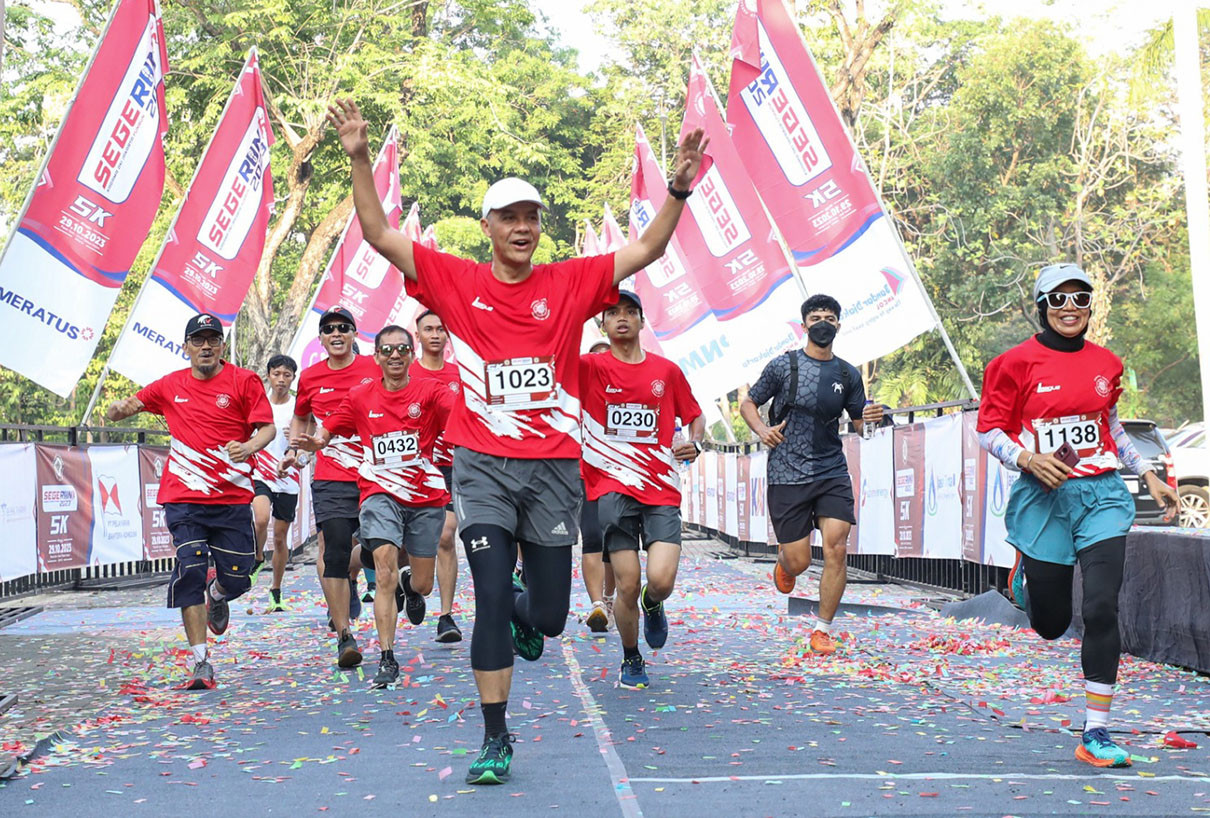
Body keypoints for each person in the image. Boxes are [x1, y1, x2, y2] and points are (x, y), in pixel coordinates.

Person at [327, 97, 706, 785]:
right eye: (511, 218)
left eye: (532, 218)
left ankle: (534, 615)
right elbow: (379, 231)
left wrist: (677, 190)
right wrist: (359, 157)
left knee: (552, 616)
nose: (524, 228)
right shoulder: (455, 279)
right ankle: (495, 737)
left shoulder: (571, 281)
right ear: (489, 227)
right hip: (481, 470)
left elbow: (647, 248)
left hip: (555, 473)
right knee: (493, 596)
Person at [977, 263, 1178, 768]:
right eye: (1059, 299)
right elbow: (989, 430)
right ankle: (1027, 571)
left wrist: (1147, 473)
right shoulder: (1012, 363)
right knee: (1050, 623)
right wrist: (1026, 458)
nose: (1071, 309)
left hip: (1103, 496)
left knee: (1102, 607)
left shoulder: (1107, 363)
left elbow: (1109, 426)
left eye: (1080, 299)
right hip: (1045, 497)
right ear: (1041, 306)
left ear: (1091, 306)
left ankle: (1097, 731)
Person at [105, 313, 275, 689]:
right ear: (186, 347)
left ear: (222, 347)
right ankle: (201, 662)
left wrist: (248, 447)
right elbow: (132, 404)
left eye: (213, 340)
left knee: (239, 577)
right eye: (198, 340)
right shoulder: (171, 385)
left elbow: (268, 427)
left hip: (231, 497)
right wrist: (117, 408)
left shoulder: (243, 381)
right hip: (183, 498)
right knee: (190, 568)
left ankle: (219, 593)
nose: (206, 347)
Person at [295, 326, 454, 687]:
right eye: (387, 350)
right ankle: (387, 657)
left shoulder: (431, 391)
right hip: (379, 492)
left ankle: (410, 584)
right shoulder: (360, 396)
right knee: (382, 573)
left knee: (425, 583)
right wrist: (315, 442)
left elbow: (459, 417)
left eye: (402, 349)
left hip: (424, 496)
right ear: (377, 357)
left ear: (412, 355)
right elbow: (329, 429)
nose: (395, 356)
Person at [739, 294, 883, 655]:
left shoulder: (848, 374)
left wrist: (874, 420)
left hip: (830, 469)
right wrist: (761, 430)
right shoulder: (783, 366)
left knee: (837, 546)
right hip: (787, 471)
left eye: (829, 318)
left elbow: (860, 423)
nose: (822, 323)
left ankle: (822, 629)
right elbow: (748, 402)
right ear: (803, 325)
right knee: (800, 561)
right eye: (815, 317)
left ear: (838, 325)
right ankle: (786, 564)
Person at [580, 292, 704, 687]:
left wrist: (695, 443)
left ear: (641, 321)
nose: (621, 319)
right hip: (612, 488)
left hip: (661, 487)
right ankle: (631, 658)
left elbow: (695, 416)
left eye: (629, 312)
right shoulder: (588, 368)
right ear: (602, 326)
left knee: (660, 580)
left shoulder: (665, 372)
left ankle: (655, 604)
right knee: (627, 583)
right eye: (612, 314)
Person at [283, 306, 379, 668]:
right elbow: (301, 415)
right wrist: (294, 448)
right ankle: (344, 635)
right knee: (333, 550)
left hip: (376, 472)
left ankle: (356, 579)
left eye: (343, 328)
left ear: (355, 334)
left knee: (382, 545)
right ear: (321, 338)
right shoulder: (310, 376)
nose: (336, 334)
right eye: (328, 329)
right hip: (331, 475)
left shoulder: (374, 367)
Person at [408, 309, 464, 643]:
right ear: (417, 335)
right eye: (428, 329)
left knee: (446, 535)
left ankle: (446, 616)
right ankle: (410, 584)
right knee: (404, 545)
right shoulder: (405, 372)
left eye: (440, 329)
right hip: (411, 467)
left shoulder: (460, 375)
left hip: (451, 465)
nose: (434, 334)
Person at [250, 354, 301, 612]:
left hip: (288, 480)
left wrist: (297, 450)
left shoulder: (298, 409)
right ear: (268, 375)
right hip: (261, 474)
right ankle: (258, 556)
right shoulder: (258, 404)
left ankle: (276, 590)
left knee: (280, 538)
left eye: (287, 375)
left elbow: (307, 447)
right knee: (260, 518)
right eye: (277, 374)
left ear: (293, 378)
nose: (281, 380)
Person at [581, 336, 615, 633]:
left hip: (622, 476)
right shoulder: (577, 395)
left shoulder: (631, 390)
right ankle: (597, 604)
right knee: (591, 537)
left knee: (614, 542)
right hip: (586, 477)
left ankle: (610, 597)